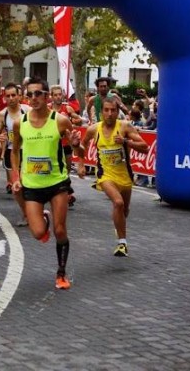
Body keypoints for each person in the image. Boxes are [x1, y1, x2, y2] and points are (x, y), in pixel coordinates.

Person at [11, 78, 82, 290]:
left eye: (38, 94)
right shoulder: (19, 123)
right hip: (32, 185)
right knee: (38, 233)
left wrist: (77, 148)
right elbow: (14, 151)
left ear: (46, 96)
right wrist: (16, 176)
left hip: (57, 183)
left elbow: (78, 151)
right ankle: (44, 219)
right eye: (29, 94)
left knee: (60, 231)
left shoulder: (60, 121)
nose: (33, 98)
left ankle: (61, 273)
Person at [78, 97, 148, 257]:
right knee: (118, 202)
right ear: (101, 112)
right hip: (105, 175)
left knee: (124, 210)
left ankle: (119, 225)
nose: (110, 113)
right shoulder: (93, 129)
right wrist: (81, 163)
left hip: (125, 176)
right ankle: (122, 243)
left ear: (118, 112)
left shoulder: (124, 127)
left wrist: (125, 141)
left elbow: (145, 147)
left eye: (113, 110)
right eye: (106, 110)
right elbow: (83, 146)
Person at [0, 83, 30, 225]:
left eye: (13, 95)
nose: (11, 98)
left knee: (27, 184)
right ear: (5, 98)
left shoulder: (28, 111)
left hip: (27, 152)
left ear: (19, 96)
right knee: (16, 188)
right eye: (8, 96)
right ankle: (26, 214)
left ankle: (32, 212)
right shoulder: (3, 115)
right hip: (12, 153)